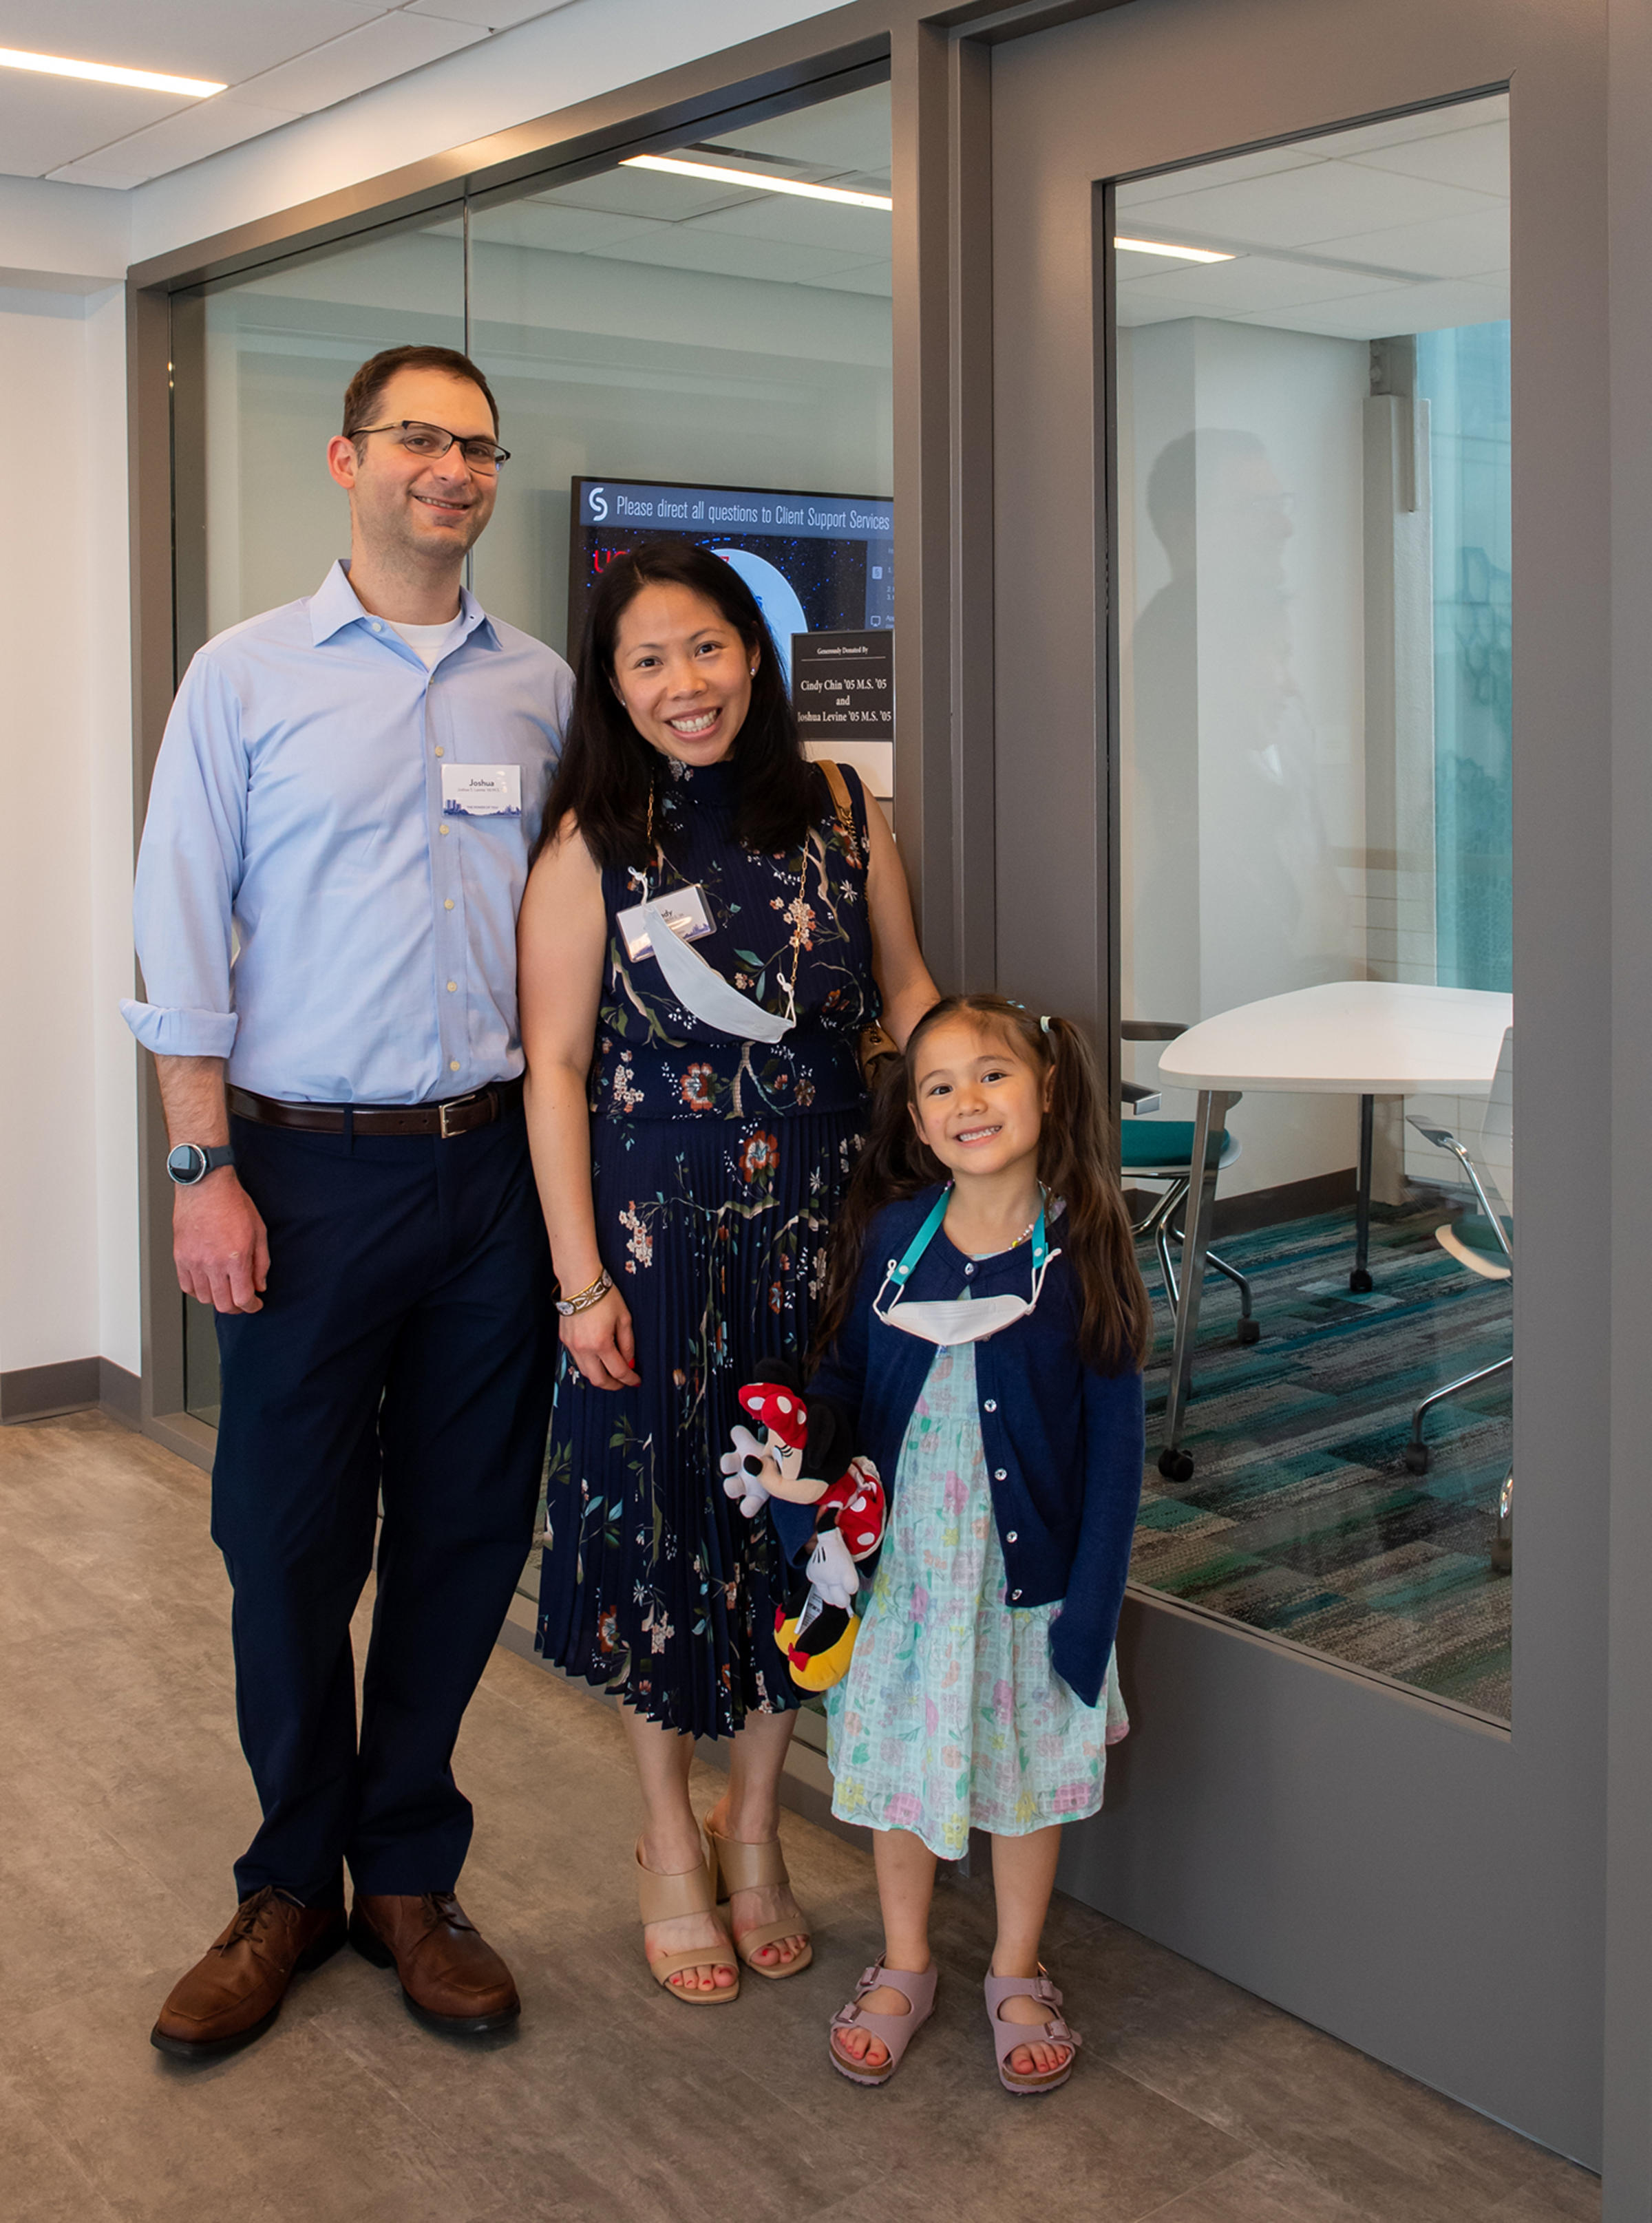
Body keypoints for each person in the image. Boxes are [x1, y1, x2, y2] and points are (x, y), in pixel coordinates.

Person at [123, 344, 574, 2058]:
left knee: (467, 1528)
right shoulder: (244, 679)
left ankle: (408, 1874)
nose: (450, 468)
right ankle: (287, 1880)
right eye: (417, 439)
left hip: (492, 1177)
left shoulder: (538, 687)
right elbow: (180, 932)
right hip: (300, 1171)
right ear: (347, 460)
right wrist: (201, 1165)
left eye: (475, 443)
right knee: (286, 1541)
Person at [518, 538, 938, 2004]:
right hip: (656, 1234)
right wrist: (581, 1280)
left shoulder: (838, 806)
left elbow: (903, 992)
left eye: (706, 648)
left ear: (753, 657)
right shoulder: (593, 838)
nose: (683, 683)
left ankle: (756, 1829)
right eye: (647, 659)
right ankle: (664, 1842)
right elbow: (555, 1067)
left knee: (796, 1524)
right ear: (613, 686)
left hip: (821, 1222)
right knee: (664, 1525)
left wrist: (978, 1120)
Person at [760, 993, 1150, 2091]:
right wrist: (806, 1468)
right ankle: (905, 1961)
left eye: (991, 1074)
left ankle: (1017, 1971)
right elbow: (838, 1382)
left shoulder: (1087, 1249)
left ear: (1047, 1087)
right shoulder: (893, 1237)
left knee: (1025, 1785)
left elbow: (1116, 1460)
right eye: (940, 1087)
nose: (967, 1100)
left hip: (1029, 1595)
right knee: (895, 1779)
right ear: (919, 1124)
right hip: (908, 1588)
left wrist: (1089, 1615)